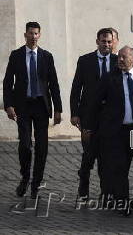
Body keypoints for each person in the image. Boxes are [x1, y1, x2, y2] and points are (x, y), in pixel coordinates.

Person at [81, 46, 133, 216]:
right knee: (119, 165)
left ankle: (114, 194)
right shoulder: (109, 78)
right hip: (114, 130)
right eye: (119, 57)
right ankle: (123, 202)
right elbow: (95, 103)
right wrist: (88, 126)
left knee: (124, 166)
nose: (120, 60)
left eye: (124, 57)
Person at [3, 22, 62, 199]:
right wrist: (8, 105)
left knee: (42, 147)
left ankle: (36, 183)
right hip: (23, 106)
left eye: (36, 33)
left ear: (39, 35)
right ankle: (25, 177)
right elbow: (7, 83)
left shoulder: (46, 56)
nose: (33, 36)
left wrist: (58, 109)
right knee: (25, 145)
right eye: (30, 33)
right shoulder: (16, 55)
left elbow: (54, 84)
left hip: (41, 106)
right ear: (25, 35)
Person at [70, 28, 118, 198]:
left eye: (109, 41)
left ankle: (105, 193)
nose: (106, 44)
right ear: (97, 41)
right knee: (89, 154)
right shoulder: (85, 61)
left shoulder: (117, 61)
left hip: (109, 118)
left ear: (113, 43)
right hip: (88, 116)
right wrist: (74, 113)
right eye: (103, 41)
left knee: (106, 157)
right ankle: (83, 185)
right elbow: (76, 88)